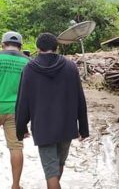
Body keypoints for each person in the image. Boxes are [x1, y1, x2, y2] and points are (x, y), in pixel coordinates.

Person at [16, 33, 89, 189]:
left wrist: (21, 127)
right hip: (66, 126)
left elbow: (23, 102)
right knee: (58, 165)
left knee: (51, 171)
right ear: (56, 47)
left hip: (43, 128)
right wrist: (83, 128)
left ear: (38, 48)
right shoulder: (70, 67)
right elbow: (80, 99)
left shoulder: (29, 69)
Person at [0, 31, 29, 189]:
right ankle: (16, 185)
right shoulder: (28, 62)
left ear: (3, 44)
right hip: (15, 111)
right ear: (20, 46)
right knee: (16, 148)